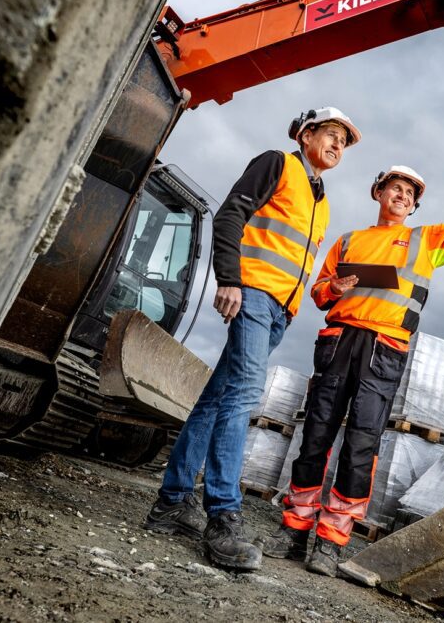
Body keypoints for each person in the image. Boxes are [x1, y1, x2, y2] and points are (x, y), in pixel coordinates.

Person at [258, 149, 444, 576]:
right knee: (315, 438)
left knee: (361, 444)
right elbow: (319, 293)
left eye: (409, 193)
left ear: (414, 204)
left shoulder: (428, 243)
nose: (401, 196)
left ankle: (330, 542)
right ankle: (293, 530)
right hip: (337, 342)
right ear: (379, 192)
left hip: (384, 349)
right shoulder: (348, 240)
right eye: (395, 188)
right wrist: (336, 286)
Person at [144, 107, 362, 571]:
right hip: (254, 294)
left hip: (280, 309)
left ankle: (170, 502)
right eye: (331, 134)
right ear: (306, 134)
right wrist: (229, 279)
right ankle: (222, 514)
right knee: (243, 394)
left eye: (345, 141)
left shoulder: (320, 200)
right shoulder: (277, 163)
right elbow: (229, 217)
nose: (338, 145)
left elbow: (291, 255)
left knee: (216, 398)